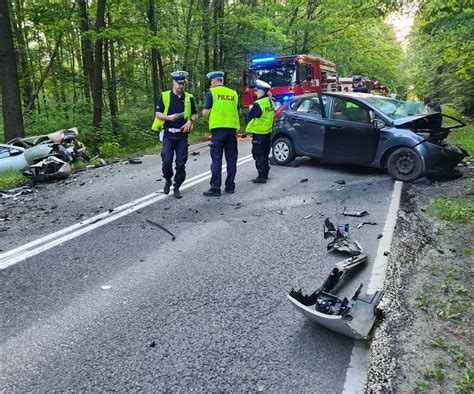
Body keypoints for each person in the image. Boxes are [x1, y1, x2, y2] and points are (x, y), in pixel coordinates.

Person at [154, 71, 198, 199]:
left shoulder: (189, 98)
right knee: (166, 161)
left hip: (182, 136)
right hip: (168, 135)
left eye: (182, 83)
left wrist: (190, 121)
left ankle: (177, 186)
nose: (180, 86)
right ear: (173, 82)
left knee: (180, 163)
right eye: (178, 83)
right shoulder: (164, 96)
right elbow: (158, 114)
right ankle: (168, 179)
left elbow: (195, 114)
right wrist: (168, 118)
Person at [202, 71, 240, 196]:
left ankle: (215, 188)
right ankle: (230, 186)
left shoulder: (212, 92)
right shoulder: (233, 93)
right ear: (222, 80)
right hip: (232, 130)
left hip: (218, 131)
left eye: (211, 82)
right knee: (231, 159)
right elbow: (237, 111)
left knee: (217, 159)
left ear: (213, 81)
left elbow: (205, 113)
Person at [246, 79, 274, 183]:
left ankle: (261, 176)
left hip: (259, 133)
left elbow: (249, 117)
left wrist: (250, 109)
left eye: (256, 90)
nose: (255, 92)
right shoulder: (269, 101)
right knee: (265, 153)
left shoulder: (258, 103)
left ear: (262, 91)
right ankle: (265, 171)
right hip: (267, 132)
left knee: (258, 154)